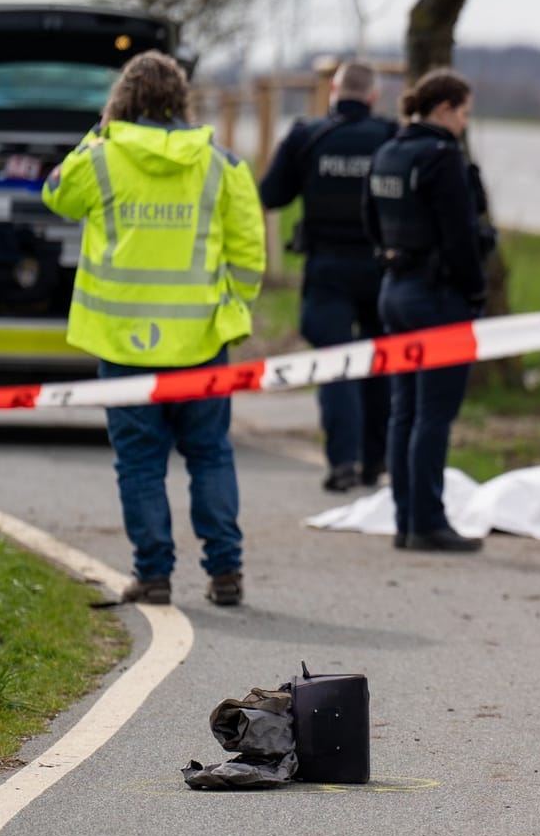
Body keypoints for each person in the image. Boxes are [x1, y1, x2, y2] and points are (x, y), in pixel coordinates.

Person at [42, 52, 265, 605]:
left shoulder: (101, 158)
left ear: (122, 99)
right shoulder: (221, 164)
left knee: (140, 462)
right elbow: (249, 252)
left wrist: (95, 134)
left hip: (124, 344)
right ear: (181, 99)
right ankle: (226, 572)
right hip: (201, 342)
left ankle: (155, 575)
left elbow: (55, 193)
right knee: (209, 453)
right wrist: (231, 309)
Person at [361, 69, 487, 553]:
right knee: (433, 413)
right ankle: (428, 522)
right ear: (444, 110)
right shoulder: (441, 159)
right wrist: (475, 293)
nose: (464, 124)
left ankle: (405, 520)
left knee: (404, 410)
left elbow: (369, 222)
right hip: (437, 297)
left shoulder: (389, 152)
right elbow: (461, 237)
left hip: (395, 291)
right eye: (464, 114)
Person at [258, 62, 398, 492]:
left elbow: (270, 195)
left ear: (333, 92)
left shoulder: (309, 136)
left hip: (328, 268)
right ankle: (378, 461)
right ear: (373, 96)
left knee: (335, 363)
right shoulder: (390, 137)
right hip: (382, 267)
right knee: (381, 361)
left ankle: (343, 464)